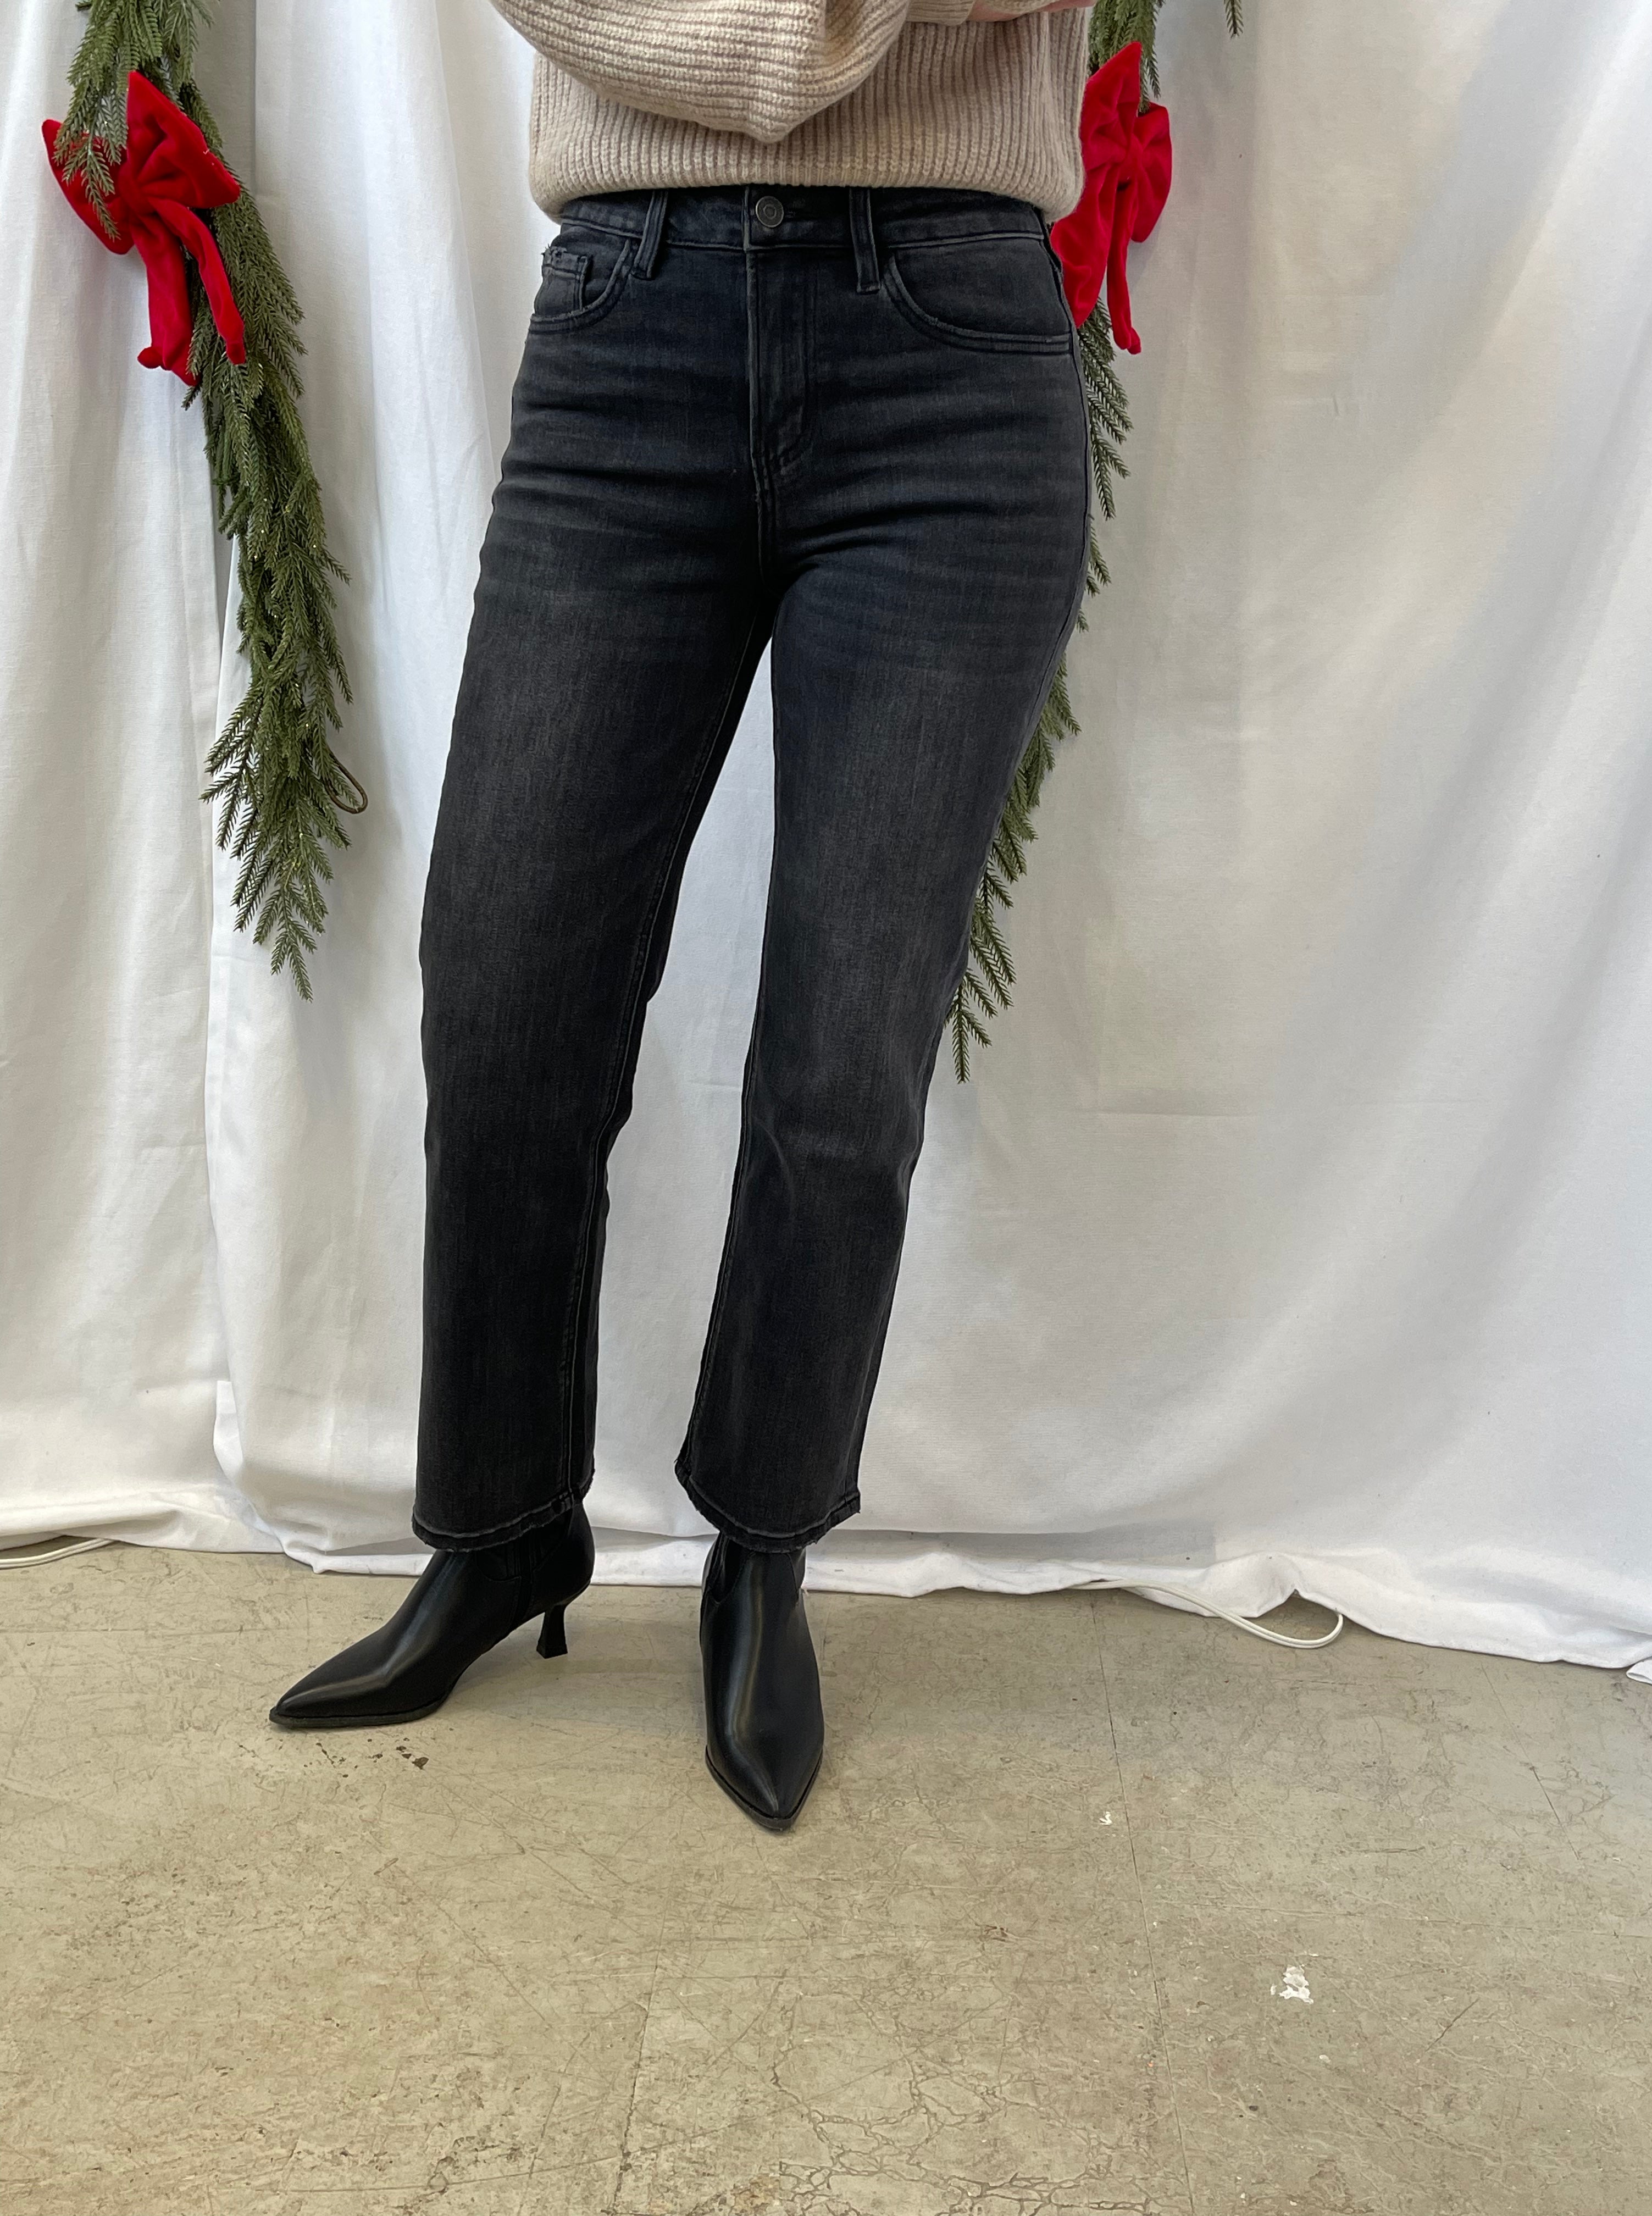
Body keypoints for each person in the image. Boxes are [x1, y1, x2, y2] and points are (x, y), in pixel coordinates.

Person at [269, 0, 1099, 1831]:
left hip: (955, 362)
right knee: (505, 998)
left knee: (843, 1059)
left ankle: (763, 1550)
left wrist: (752, 37)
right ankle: (499, 1529)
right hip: (625, 340)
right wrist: (829, 36)